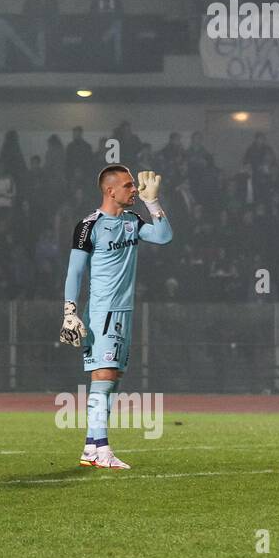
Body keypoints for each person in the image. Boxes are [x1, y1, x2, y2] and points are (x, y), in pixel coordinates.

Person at [59, 165, 173, 469]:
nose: (134, 189)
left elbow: (163, 236)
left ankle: (91, 448)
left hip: (123, 312)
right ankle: (101, 448)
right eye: (128, 186)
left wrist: (153, 202)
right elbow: (75, 270)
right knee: (104, 375)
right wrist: (69, 312)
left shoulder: (132, 221)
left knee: (113, 376)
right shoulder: (89, 225)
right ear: (110, 191)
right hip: (101, 312)